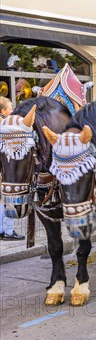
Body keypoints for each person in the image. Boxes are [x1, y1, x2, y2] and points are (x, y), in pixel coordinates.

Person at [0, 97, 25, 241]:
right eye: (10, 108)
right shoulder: (5, 126)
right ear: (3, 111)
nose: (12, 111)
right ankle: (8, 231)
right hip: (5, 170)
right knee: (9, 200)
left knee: (2, 201)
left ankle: (2, 230)